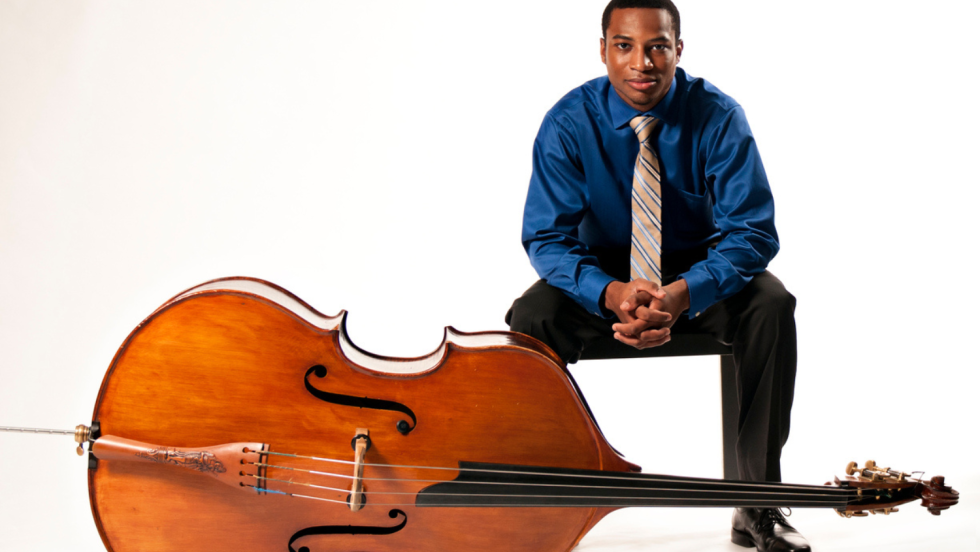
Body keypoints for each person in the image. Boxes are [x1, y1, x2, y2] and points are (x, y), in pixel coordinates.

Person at [505, 1, 809, 551]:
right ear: (603, 50)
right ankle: (546, 500)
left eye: (657, 46)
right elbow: (546, 238)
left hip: (697, 278)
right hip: (603, 281)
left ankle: (758, 505)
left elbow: (755, 233)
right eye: (624, 45)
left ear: (678, 50)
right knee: (532, 316)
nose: (641, 62)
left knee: (771, 303)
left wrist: (686, 291)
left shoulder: (718, 116)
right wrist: (609, 291)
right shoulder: (569, 122)